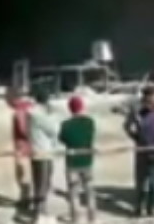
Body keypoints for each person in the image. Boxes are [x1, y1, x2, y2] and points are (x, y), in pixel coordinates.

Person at [57, 96, 96, 224]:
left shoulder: (65, 125)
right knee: (89, 191)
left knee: (73, 193)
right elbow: (91, 137)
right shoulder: (89, 122)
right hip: (87, 161)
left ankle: (76, 219)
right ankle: (92, 218)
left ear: (70, 108)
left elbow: (62, 139)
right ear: (82, 107)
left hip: (72, 162)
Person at [122, 85, 154, 216]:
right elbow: (127, 126)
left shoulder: (138, 108)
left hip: (145, 146)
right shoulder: (138, 109)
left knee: (147, 179)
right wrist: (135, 137)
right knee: (144, 179)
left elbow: (127, 126)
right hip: (147, 146)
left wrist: (134, 137)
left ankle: (146, 207)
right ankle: (142, 207)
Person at [27, 89, 59, 222]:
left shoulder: (32, 112)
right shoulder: (38, 114)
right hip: (44, 152)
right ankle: (40, 214)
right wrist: (53, 115)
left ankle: (40, 211)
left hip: (36, 150)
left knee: (39, 183)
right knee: (43, 184)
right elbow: (54, 130)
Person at [6, 88, 34, 212]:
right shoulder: (29, 106)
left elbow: (23, 130)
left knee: (21, 175)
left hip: (22, 148)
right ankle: (27, 197)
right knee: (28, 175)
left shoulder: (19, 111)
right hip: (32, 147)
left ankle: (25, 199)